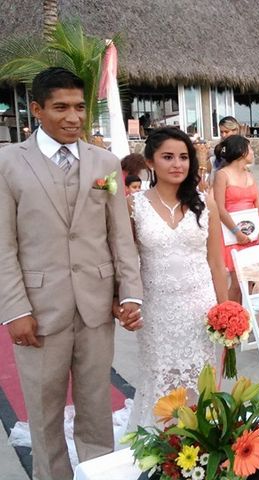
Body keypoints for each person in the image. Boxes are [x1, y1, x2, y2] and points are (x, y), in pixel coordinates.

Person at [0, 67, 143, 480]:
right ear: (36, 110)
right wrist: (13, 310)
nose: (72, 117)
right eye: (60, 107)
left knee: (97, 408)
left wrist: (130, 294)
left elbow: (120, 238)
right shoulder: (8, 162)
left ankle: (100, 474)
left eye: (80, 107)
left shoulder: (105, 163)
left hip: (97, 308)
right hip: (38, 312)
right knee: (44, 416)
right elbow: (4, 245)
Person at [126, 127, 228, 430]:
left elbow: (216, 261)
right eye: (167, 157)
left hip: (200, 307)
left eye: (183, 157)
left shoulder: (204, 202)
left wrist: (226, 310)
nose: (177, 164)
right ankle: (165, 447)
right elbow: (127, 262)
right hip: (157, 309)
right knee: (163, 377)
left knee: (202, 377)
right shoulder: (134, 204)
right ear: (150, 162)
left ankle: (203, 442)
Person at [212, 135, 259, 302]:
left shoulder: (249, 174)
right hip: (232, 233)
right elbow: (219, 208)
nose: (252, 152)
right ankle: (230, 319)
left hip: (252, 231)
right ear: (241, 151)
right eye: (249, 149)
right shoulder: (222, 175)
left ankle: (246, 317)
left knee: (251, 280)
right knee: (237, 281)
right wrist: (236, 232)